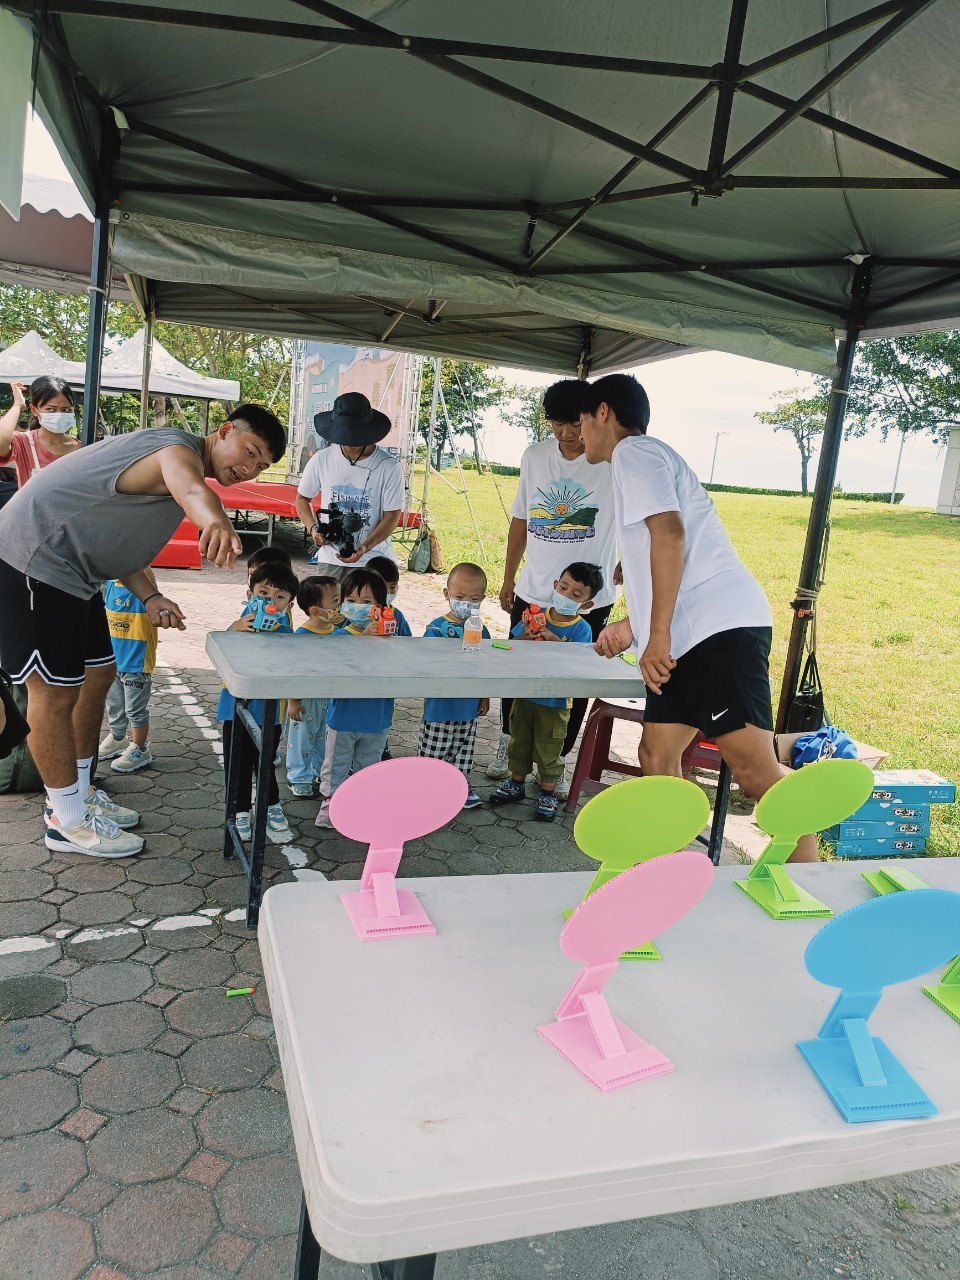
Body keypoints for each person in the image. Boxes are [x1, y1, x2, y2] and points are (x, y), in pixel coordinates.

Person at [0, 404, 286, 858]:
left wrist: (150, 596)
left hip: (76, 574)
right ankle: (66, 820)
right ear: (225, 430)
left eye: (262, 466)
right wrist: (215, 520)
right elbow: (192, 488)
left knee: (98, 675)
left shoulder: (179, 470)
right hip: (31, 559)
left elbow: (119, 541)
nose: (250, 469)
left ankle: (79, 791)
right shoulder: (174, 449)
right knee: (52, 693)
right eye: (249, 452)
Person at [579, 373, 816, 864]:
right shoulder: (643, 461)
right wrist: (635, 627)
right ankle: (670, 868)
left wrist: (656, 635)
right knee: (656, 757)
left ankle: (817, 882)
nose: (575, 433)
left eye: (579, 420)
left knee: (754, 773)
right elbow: (663, 560)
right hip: (685, 639)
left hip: (715, 633)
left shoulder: (635, 453)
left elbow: (670, 535)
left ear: (603, 412)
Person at [490, 380, 619, 798]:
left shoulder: (612, 461)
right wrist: (509, 579)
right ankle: (510, 748)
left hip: (589, 598)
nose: (568, 434)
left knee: (574, 679)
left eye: (575, 424)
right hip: (535, 591)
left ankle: (557, 758)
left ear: (592, 419)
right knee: (519, 669)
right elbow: (521, 520)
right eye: (558, 424)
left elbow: (641, 518)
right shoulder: (534, 457)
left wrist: (628, 564)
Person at [491, 561, 601, 823]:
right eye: (563, 588)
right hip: (525, 694)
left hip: (556, 701)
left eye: (576, 595)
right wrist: (527, 636)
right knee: (519, 741)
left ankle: (547, 792)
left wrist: (557, 644)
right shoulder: (534, 613)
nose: (566, 596)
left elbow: (579, 663)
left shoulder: (581, 629)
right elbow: (512, 645)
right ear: (554, 586)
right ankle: (516, 783)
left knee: (549, 747)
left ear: (586, 605)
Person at [217, 561, 298, 839]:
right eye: (263, 593)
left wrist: (295, 700)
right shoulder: (238, 626)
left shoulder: (287, 634)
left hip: (270, 713)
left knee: (264, 761)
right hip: (234, 709)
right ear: (250, 593)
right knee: (236, 763)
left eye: (279, 597)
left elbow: (291, 668)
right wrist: (236, 629)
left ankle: (270, 803)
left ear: (290, 603)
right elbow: (221, 653)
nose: (270, 602)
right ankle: (239, 810)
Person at [315, 567, 396, 828]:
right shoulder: (337, 636)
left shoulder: (390, 638)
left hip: (377, 719)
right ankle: (330, 802)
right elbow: (334, 666)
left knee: (368, 767)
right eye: (350, 600)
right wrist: (362, 638)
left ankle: (362, 805)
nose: (358, 606)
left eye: (367, 602)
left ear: (381, 607)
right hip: (343, 718)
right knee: (335, 765)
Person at [295, 392, 404, 583]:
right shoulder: (322, 459)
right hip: (331, 560)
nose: (350, 442)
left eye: (356, 435)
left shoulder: (389, 466)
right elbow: (302, 499)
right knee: (329, 612)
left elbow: (391, 516)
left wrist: (364, 548)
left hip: (373, 561)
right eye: (344, 434)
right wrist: (313, 529)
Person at [418, 563, 491, 810]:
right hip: (441, 706)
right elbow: (426, 663)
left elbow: (486, 667)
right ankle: (426, 788)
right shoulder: (436, 628)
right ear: (447, 594)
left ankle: (459, 786)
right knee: (434, 751)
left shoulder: (481, 629)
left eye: (473, 598)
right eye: (460, 597)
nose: (466, 603)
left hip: (468, 707)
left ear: (482, 599)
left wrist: (484, 697)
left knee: (462, 750)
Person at [286, 575, 342, 797]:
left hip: (327, 696)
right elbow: (292, 669)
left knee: (323, 737)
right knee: (301, 739)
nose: (340, 606)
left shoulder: (335, 632)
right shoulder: (302, 635)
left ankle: (319, 773)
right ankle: (298, 776)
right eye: (335, 601)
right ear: (315, 610)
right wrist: (292, 700)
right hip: (305, 698)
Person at [98, 571, 160, 773]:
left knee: (135, 710)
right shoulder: (108, 585)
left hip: (137, 664)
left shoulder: (143, 589)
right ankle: (118, 739)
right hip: (114, 662)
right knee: (115, 705)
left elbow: (145, 571)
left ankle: (140, 749)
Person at [0, 377, 80, 487]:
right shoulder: (24, 442)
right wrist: (18, 405)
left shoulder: (83, 448)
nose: (59, 415)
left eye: (66, 409)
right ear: (34, 410)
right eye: (51, 409)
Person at [365, 555, 413, 636]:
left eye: (393, 587)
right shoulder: (358, 614)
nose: (388, 591)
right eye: (382, 586)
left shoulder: (397, 615)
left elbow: (407, 641)